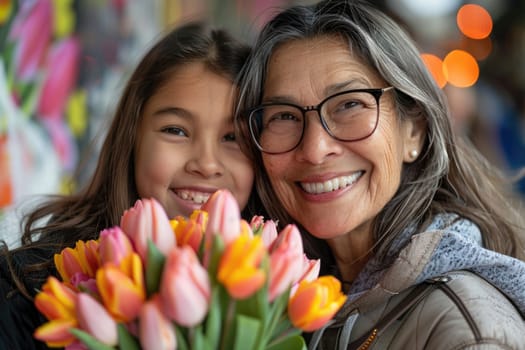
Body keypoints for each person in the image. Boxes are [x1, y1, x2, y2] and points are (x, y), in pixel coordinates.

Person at [235, 0, 525, 348]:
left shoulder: (464, 334)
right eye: (283, 115)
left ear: (413, 132)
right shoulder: (283, 299)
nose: (314, 149)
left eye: (349, 104)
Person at [0, 21, 260, 349]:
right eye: (176, 130)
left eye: (232, 137)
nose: (206, 164)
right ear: (132, 136)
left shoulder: (274, 292)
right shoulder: (30, 286)